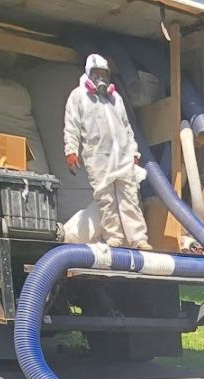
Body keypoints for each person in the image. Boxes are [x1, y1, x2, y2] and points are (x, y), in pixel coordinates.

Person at [63, 54, 152, 250]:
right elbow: (72, 126)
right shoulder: (79, 97)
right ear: (88, 74)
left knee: (130, 197)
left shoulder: (115, 99)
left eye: (104, 74)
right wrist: (71, 151)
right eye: (96, 74)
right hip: (98, 158)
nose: (100, 78)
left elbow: (126, 128)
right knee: (106, 200)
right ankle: (114, 238)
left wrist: (134, 153)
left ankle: (138, 239)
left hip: (121, 157)